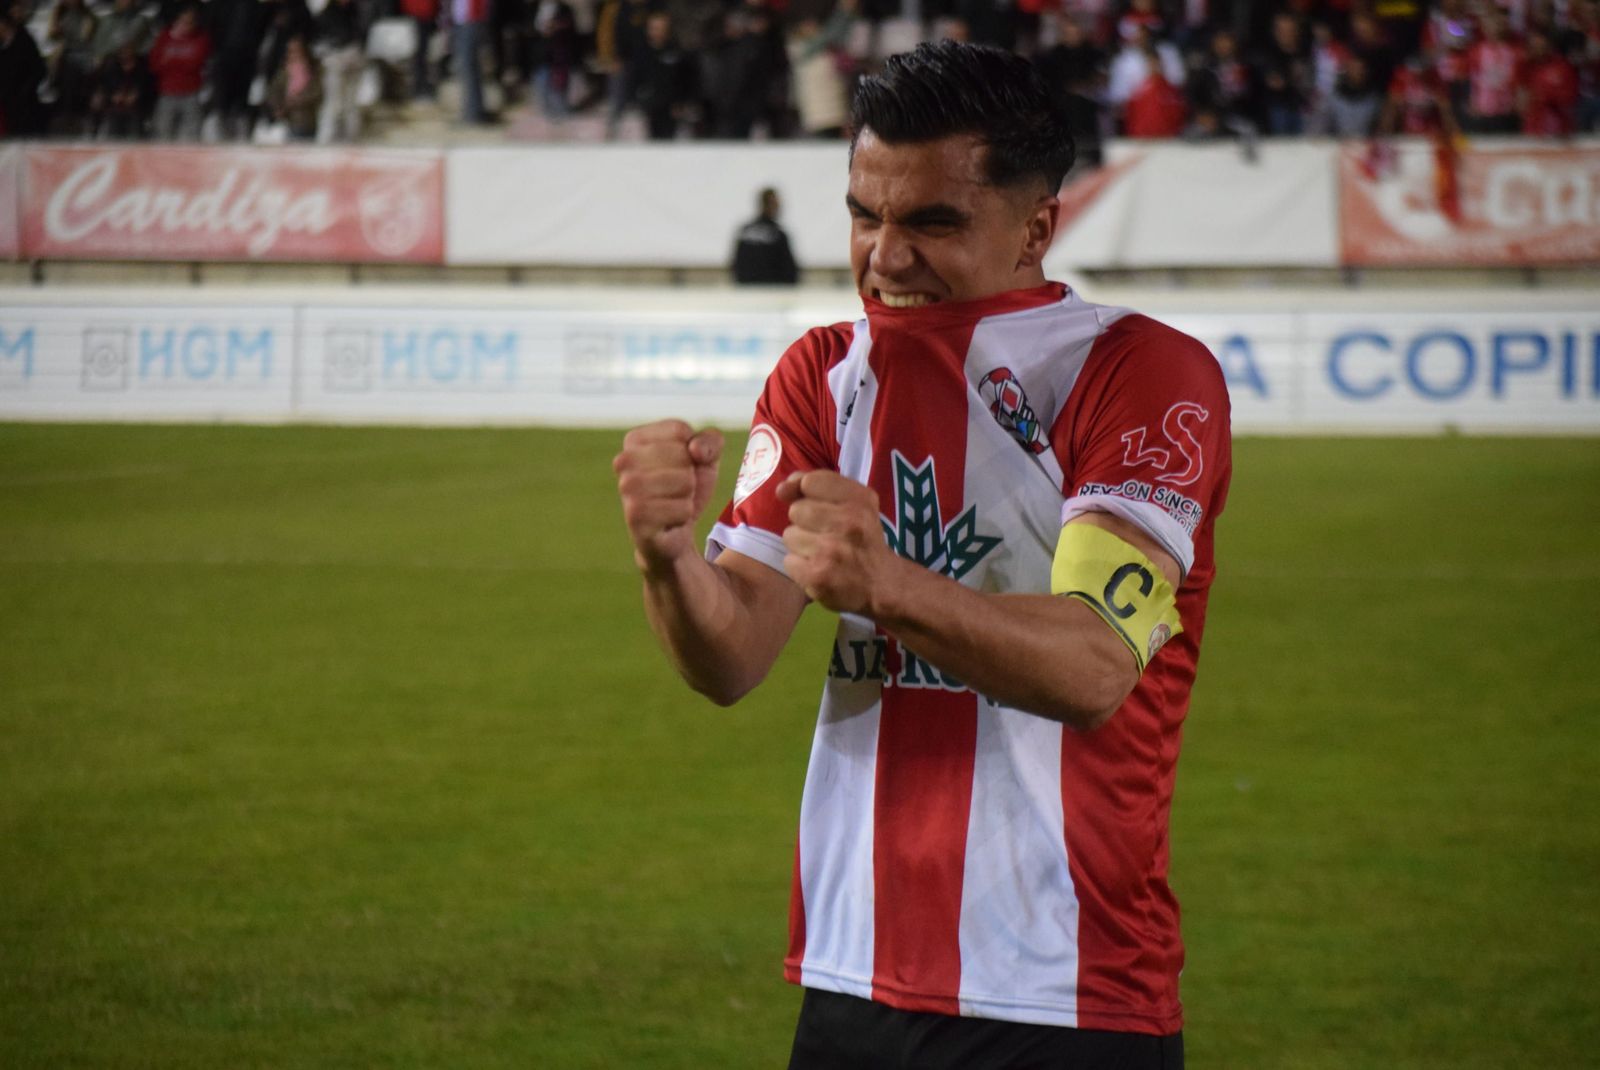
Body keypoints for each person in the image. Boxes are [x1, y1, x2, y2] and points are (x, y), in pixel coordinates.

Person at [613, 40, 1229, 1069]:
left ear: (1037, 226)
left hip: (1064, 988)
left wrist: (887, 583)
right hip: (852, 971)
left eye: (931, 222)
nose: (884, 256)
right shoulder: (820, 371)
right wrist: (665, 555)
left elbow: (1092, 665)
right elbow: (729, 658)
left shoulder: (1134, 369)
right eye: (865, 214)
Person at [730, 187, 800, 285]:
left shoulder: (746, 231)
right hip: (772, 290)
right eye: (775, 204)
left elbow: (736, 265)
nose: (778, 207)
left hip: (747, 291)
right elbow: (789, 269)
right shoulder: (777, 233)